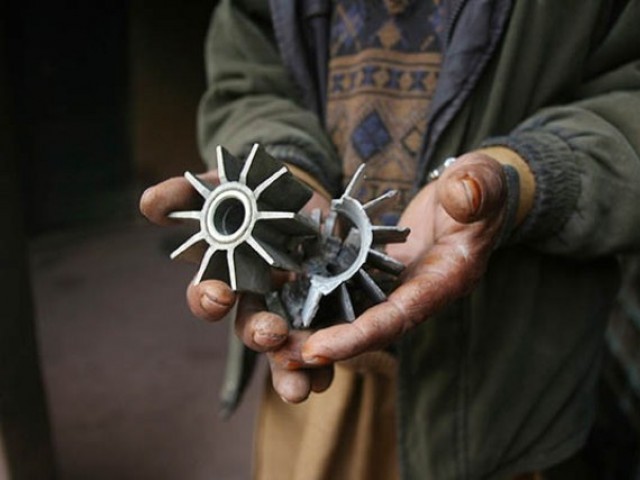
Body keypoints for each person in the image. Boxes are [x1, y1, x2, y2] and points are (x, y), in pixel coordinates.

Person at [140, 1, 640, 478]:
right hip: (317, 353)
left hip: (501, 376)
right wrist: (282, 171)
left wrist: (525, 179)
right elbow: (250, 76)